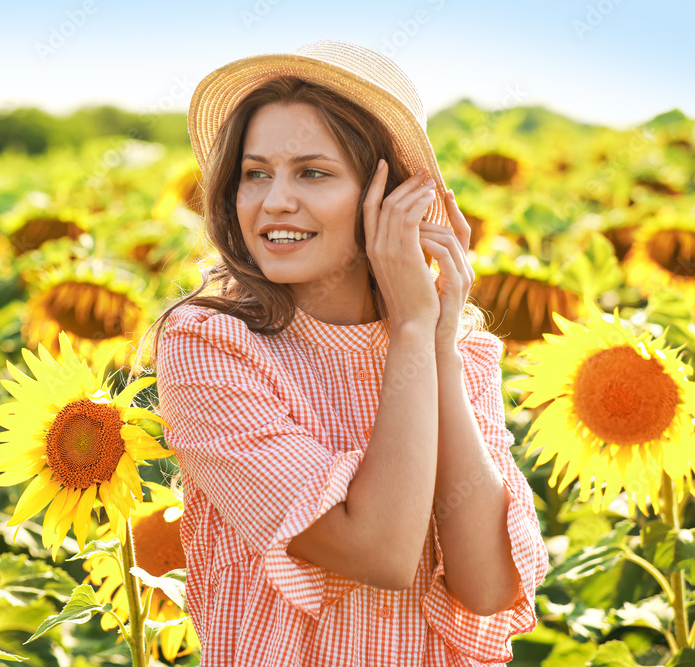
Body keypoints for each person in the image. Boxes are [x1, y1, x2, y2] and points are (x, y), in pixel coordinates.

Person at [144, 40, 550, 666]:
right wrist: (415, 326)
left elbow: (489, 585)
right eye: (255, 173)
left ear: (389, 199)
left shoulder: (459, 351)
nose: (274, 200)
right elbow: (378, 552)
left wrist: (434, 341)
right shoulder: (209, 344)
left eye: (313, 172)